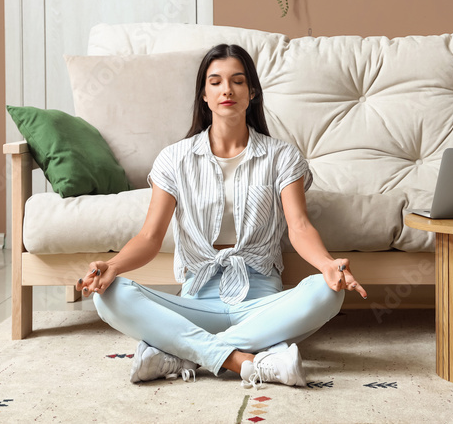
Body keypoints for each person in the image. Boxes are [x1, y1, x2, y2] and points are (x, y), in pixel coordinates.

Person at [75, 43, 367, 389]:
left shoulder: (281, 156)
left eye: (238, 81)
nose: (226, 89)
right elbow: (150, 238)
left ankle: (184, 352)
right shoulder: (174, 159)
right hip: (196, 301)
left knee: (328, 291)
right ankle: (243, 358)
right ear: (204, 94)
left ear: (252, 92)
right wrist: (114, 267)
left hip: (261, 305)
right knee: (110, 295)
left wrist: (327, 265)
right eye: (215, 82)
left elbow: (299, 226)